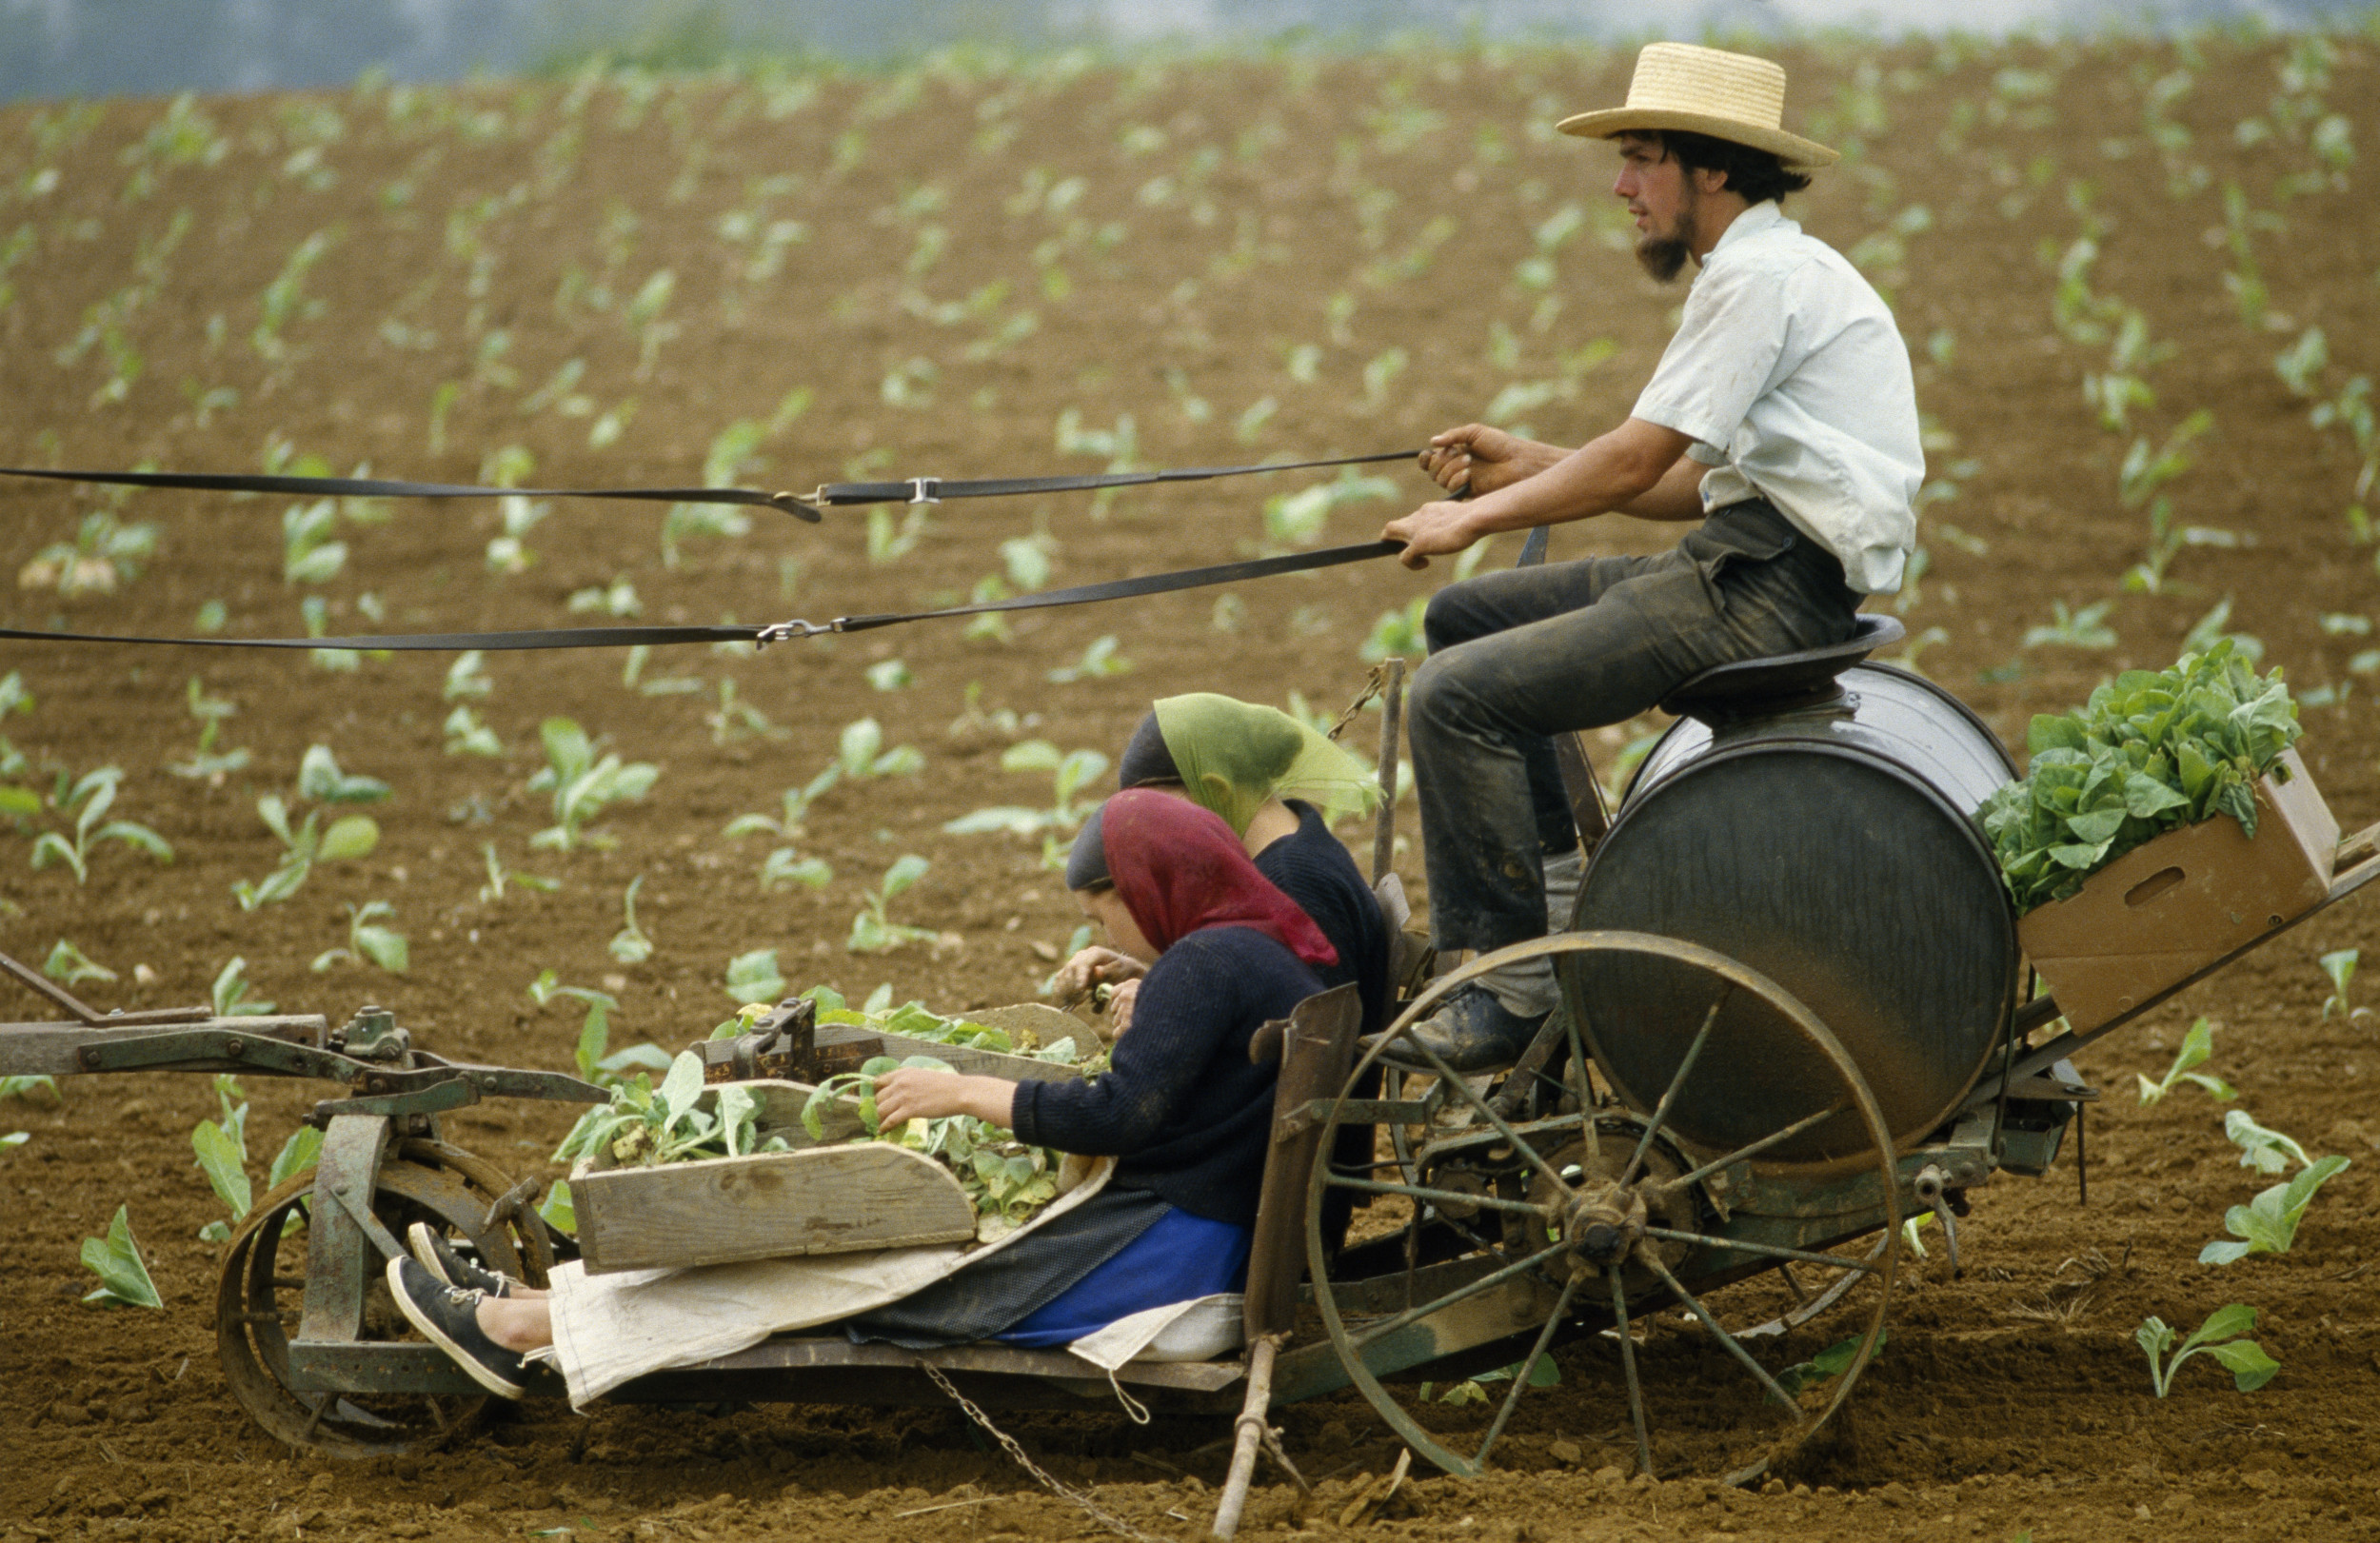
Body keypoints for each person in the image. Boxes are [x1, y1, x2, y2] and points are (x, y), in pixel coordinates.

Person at [385, 788, 1337, 1397]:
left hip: (1157, 1267)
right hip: (1194, 1238)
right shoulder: (1259, 947)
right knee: (864, 1257)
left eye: (1103, 911)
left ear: (1152, 883)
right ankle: (553, 1301)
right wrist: (1151, 979)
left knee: (846, 1275)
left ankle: (523, 1326)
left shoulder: (1204, 966)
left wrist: (961, 1091)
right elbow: (1186, 1070)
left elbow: (1117, 1112)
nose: (1102, 928)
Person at [1378, 42, 1923, 1070]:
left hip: (1761, 591)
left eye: (1640, 158)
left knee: (1452, 696)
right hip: (1741, 558)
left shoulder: (1759, 278)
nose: (1621, 187)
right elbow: (1686, 482)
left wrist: (1463, 523)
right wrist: (1521, 466)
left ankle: (1509, 989)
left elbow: (1635, 462)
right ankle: (1559, 913)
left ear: (1711, 168)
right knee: (1465, 620)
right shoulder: (1765, 269)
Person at [1056, 693, 1391, 1037]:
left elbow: (1309, 1037)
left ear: (1216, 789)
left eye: (1162, 809)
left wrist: (1160, 1008)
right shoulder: (1291, 850)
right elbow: (1263, 992)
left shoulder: (1293, 879)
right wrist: (1151, 980)